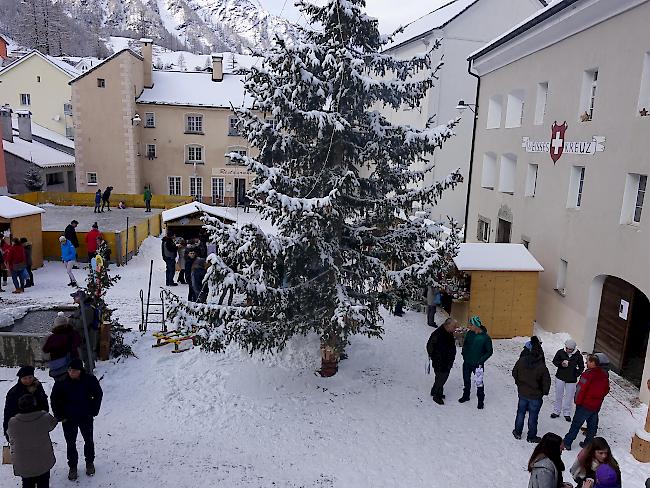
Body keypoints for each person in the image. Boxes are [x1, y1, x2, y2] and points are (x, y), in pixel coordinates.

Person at [51, 358, 103, 480]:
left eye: (74, 370)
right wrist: (59, 415)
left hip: (86, 416)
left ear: (80, 370)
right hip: (68, 418)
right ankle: (72, 467)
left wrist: (93, 410)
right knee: (70, 443)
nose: (71, 373)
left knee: (88, 440)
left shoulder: (89, 379)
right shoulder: (61, 381)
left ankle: (89, 462)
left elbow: (98, 394)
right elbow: (54, 399)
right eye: (70, 370)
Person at [7, 394, 58, 488]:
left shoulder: (13, 422)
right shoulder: (44, 417)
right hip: (43, 461)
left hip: (23, 463)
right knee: (43, 483)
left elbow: (10, 434)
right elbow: (53, 423)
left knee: (27, 484)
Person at [563, 354, 610, 450]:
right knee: (592, 427)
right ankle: (588, 444)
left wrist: (577, 402)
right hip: (596, 406)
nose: (586, 363)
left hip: (584, 405)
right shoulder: (604, 375)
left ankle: (567, 442)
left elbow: (580, 389)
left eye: (588, 361)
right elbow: (606, 390)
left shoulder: (587, 374)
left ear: (593, 363)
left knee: (576, 425)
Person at [513, 336, 551, 443]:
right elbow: (546, 382)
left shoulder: (521, 361)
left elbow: (514, 373)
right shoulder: (542, 367)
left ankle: (517, 432)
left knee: (520, 413)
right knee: (533, 417)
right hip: (535, 396)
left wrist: (519, 384)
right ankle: (531, 436)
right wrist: (543, 392)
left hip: (523, 393)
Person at [3, 366, 49, 442]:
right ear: (20, 379)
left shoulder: (38, 387)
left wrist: (43, 417)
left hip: (37, 424)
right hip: (20, 426)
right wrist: (7, 432)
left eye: (30, 377)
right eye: (25, 378)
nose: (28, 380)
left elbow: (44, 403)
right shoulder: (14, 392)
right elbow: (8, 413)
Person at [459, 316, 493, 409]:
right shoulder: (470, 333)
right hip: (467, 362)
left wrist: (481, 361)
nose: (469, 326)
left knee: (479, 383)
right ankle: (466, 396)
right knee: (466, 380)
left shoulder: (486, 338)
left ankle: (480, 400)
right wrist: (464, 353)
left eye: (471, 325)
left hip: (478, 365)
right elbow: (465, 344)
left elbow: (489, 351)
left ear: (476, 325)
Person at [552, 339, 585, 422]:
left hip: (571, 379)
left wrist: (576, 374)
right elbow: (555, 361)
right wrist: (561, 363)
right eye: (567, 348)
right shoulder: (560, 352)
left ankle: (566, 412)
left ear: (573, 349)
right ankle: (556, 411)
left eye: (570, 349)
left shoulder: (578, 355)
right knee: (559, 395)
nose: (568, 350)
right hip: (560, 377)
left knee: (569, 396)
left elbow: (581, 367)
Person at [426, 318, 457, 405]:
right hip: (440, 361)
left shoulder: (448, 333)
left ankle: (434, 391)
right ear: (447, 325)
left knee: (440, 377)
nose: (455, 328)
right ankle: (437, 396)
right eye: (453, 326)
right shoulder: (437, 334)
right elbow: (429, 346)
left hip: (446, 360)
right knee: (442, 378)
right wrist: (435, 357)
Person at [42, 312, 81, 381]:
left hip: (58, 365)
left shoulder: (53, 338)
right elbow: (78, 343)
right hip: (73, 362)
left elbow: (45, 349)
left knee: (60, 384)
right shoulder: (74, 333)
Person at [68, 290, 97, 371]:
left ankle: (89, 371)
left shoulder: (87, 309)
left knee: (86, 353)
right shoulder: (82, 306)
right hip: (83, 334)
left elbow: (81, 324)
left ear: (80, 298)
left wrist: (71, 321)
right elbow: (76, 316)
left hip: (87, 335)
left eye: (75, 297)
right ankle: (90, 367)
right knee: (84, 352)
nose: (73, 298)